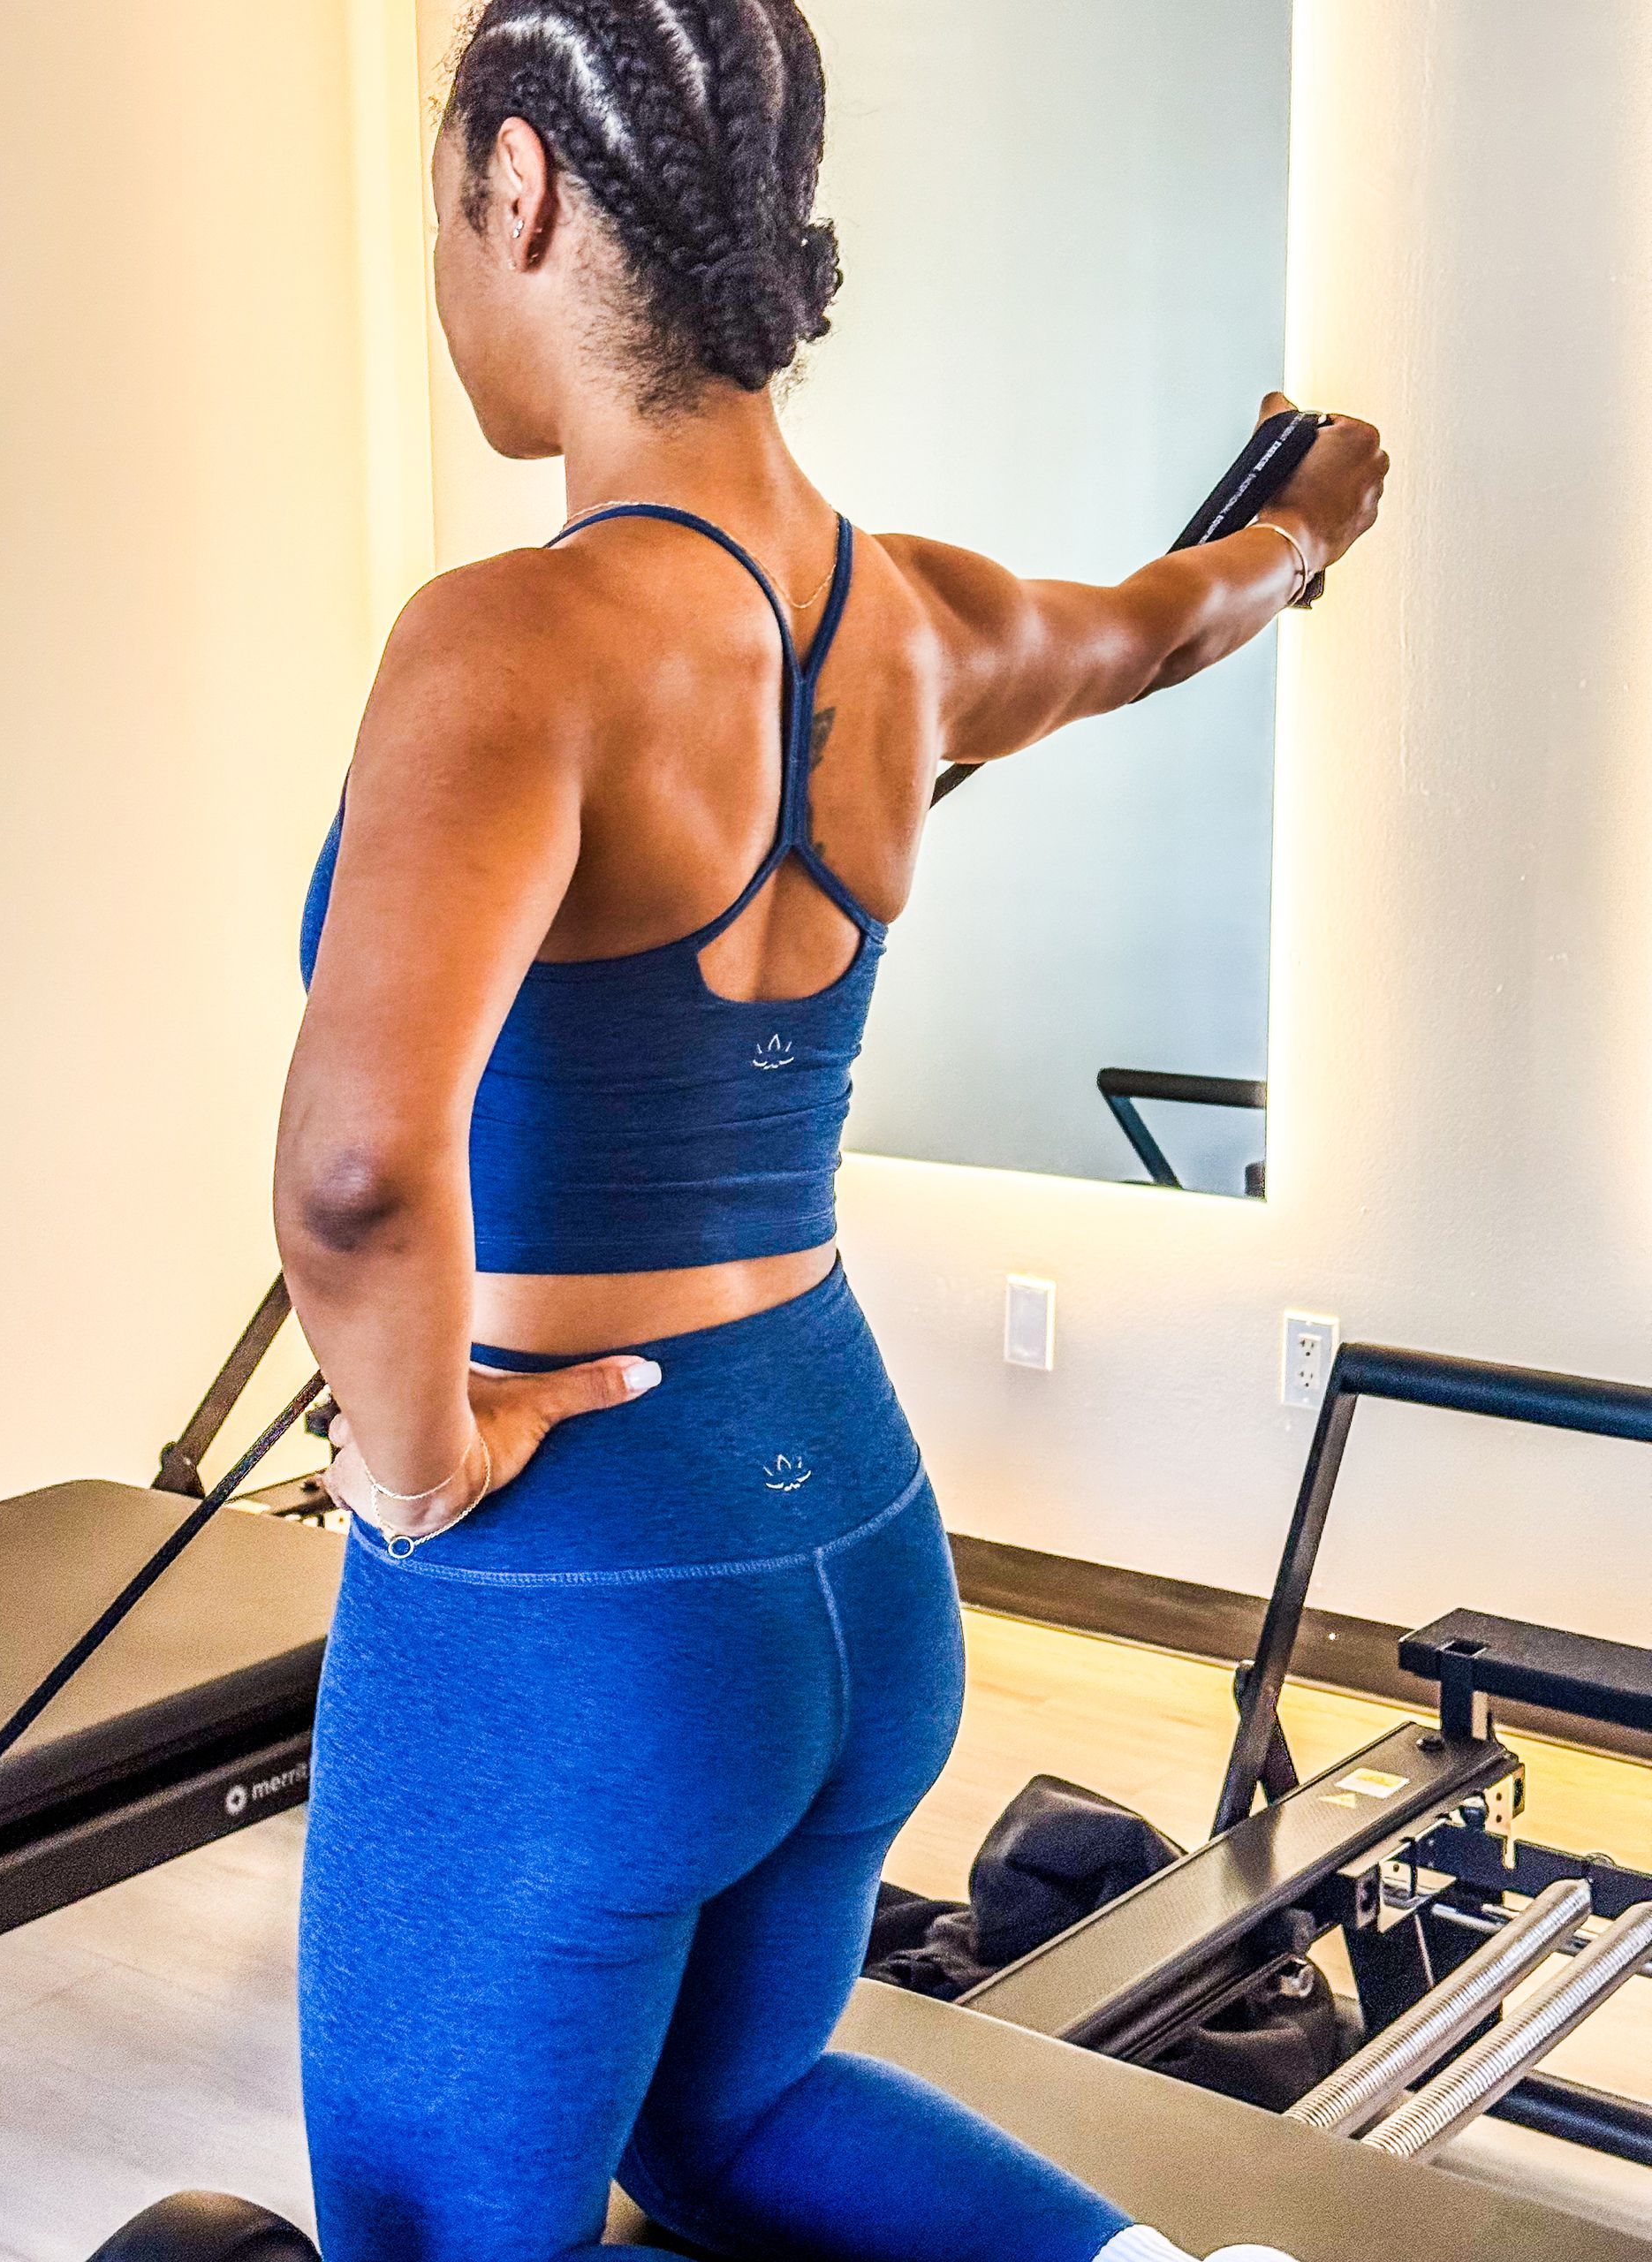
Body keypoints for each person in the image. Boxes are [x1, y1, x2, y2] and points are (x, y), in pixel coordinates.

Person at [274, 4, 1388, 2258]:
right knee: (742, 2113)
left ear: (517, 186)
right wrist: (1305, 525)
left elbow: (360, 1173)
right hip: (859, 1541)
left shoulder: (510, 641)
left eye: (443, 217)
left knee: (424, 2215)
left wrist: (409, 1469)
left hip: (580, 1577)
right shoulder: (925, 618)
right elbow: (1170, 620)